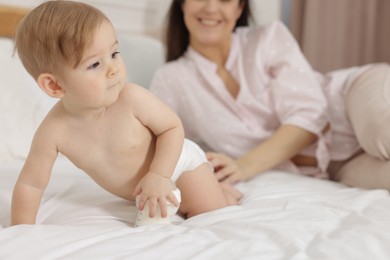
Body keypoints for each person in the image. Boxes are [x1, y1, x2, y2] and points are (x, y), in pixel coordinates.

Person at [11, 0, 242, 227]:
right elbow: (31, 185)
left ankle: (225, 193)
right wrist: (21, 230)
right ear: (54, 86)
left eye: (114, 53)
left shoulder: (131, 98)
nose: (114, 69)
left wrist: (160, 176)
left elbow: (172, 128)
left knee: (208, 212)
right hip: (145, 190)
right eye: (94, 65)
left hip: (178, 167)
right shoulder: (53, 132)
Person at [150, 0, 390, 190]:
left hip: (349, 100)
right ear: (182, 4)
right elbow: (157, 145)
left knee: (383, 133)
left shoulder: (268, 38)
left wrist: (244, 166)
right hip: (332, 168)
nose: (211, 7)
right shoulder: (170, 80)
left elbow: (309, 116)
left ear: (239, 8)